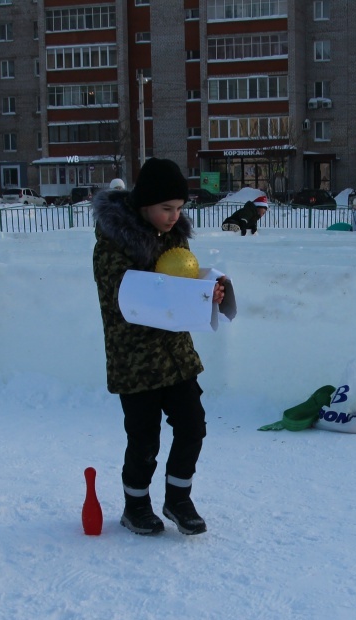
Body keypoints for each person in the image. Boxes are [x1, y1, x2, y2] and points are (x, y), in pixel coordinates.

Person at [91, 158, 230, 536]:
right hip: (134, 358)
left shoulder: (174, 238)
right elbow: (123, 298)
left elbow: (184, 281)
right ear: (144, 204)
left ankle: (178, 499)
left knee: (193, 425)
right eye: (166, 209)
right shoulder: (112, 243)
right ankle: (135, 506)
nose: (174, 217)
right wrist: (177, 291)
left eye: (180, 209)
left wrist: (208, 292)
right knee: (144, 438)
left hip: (176, 355)